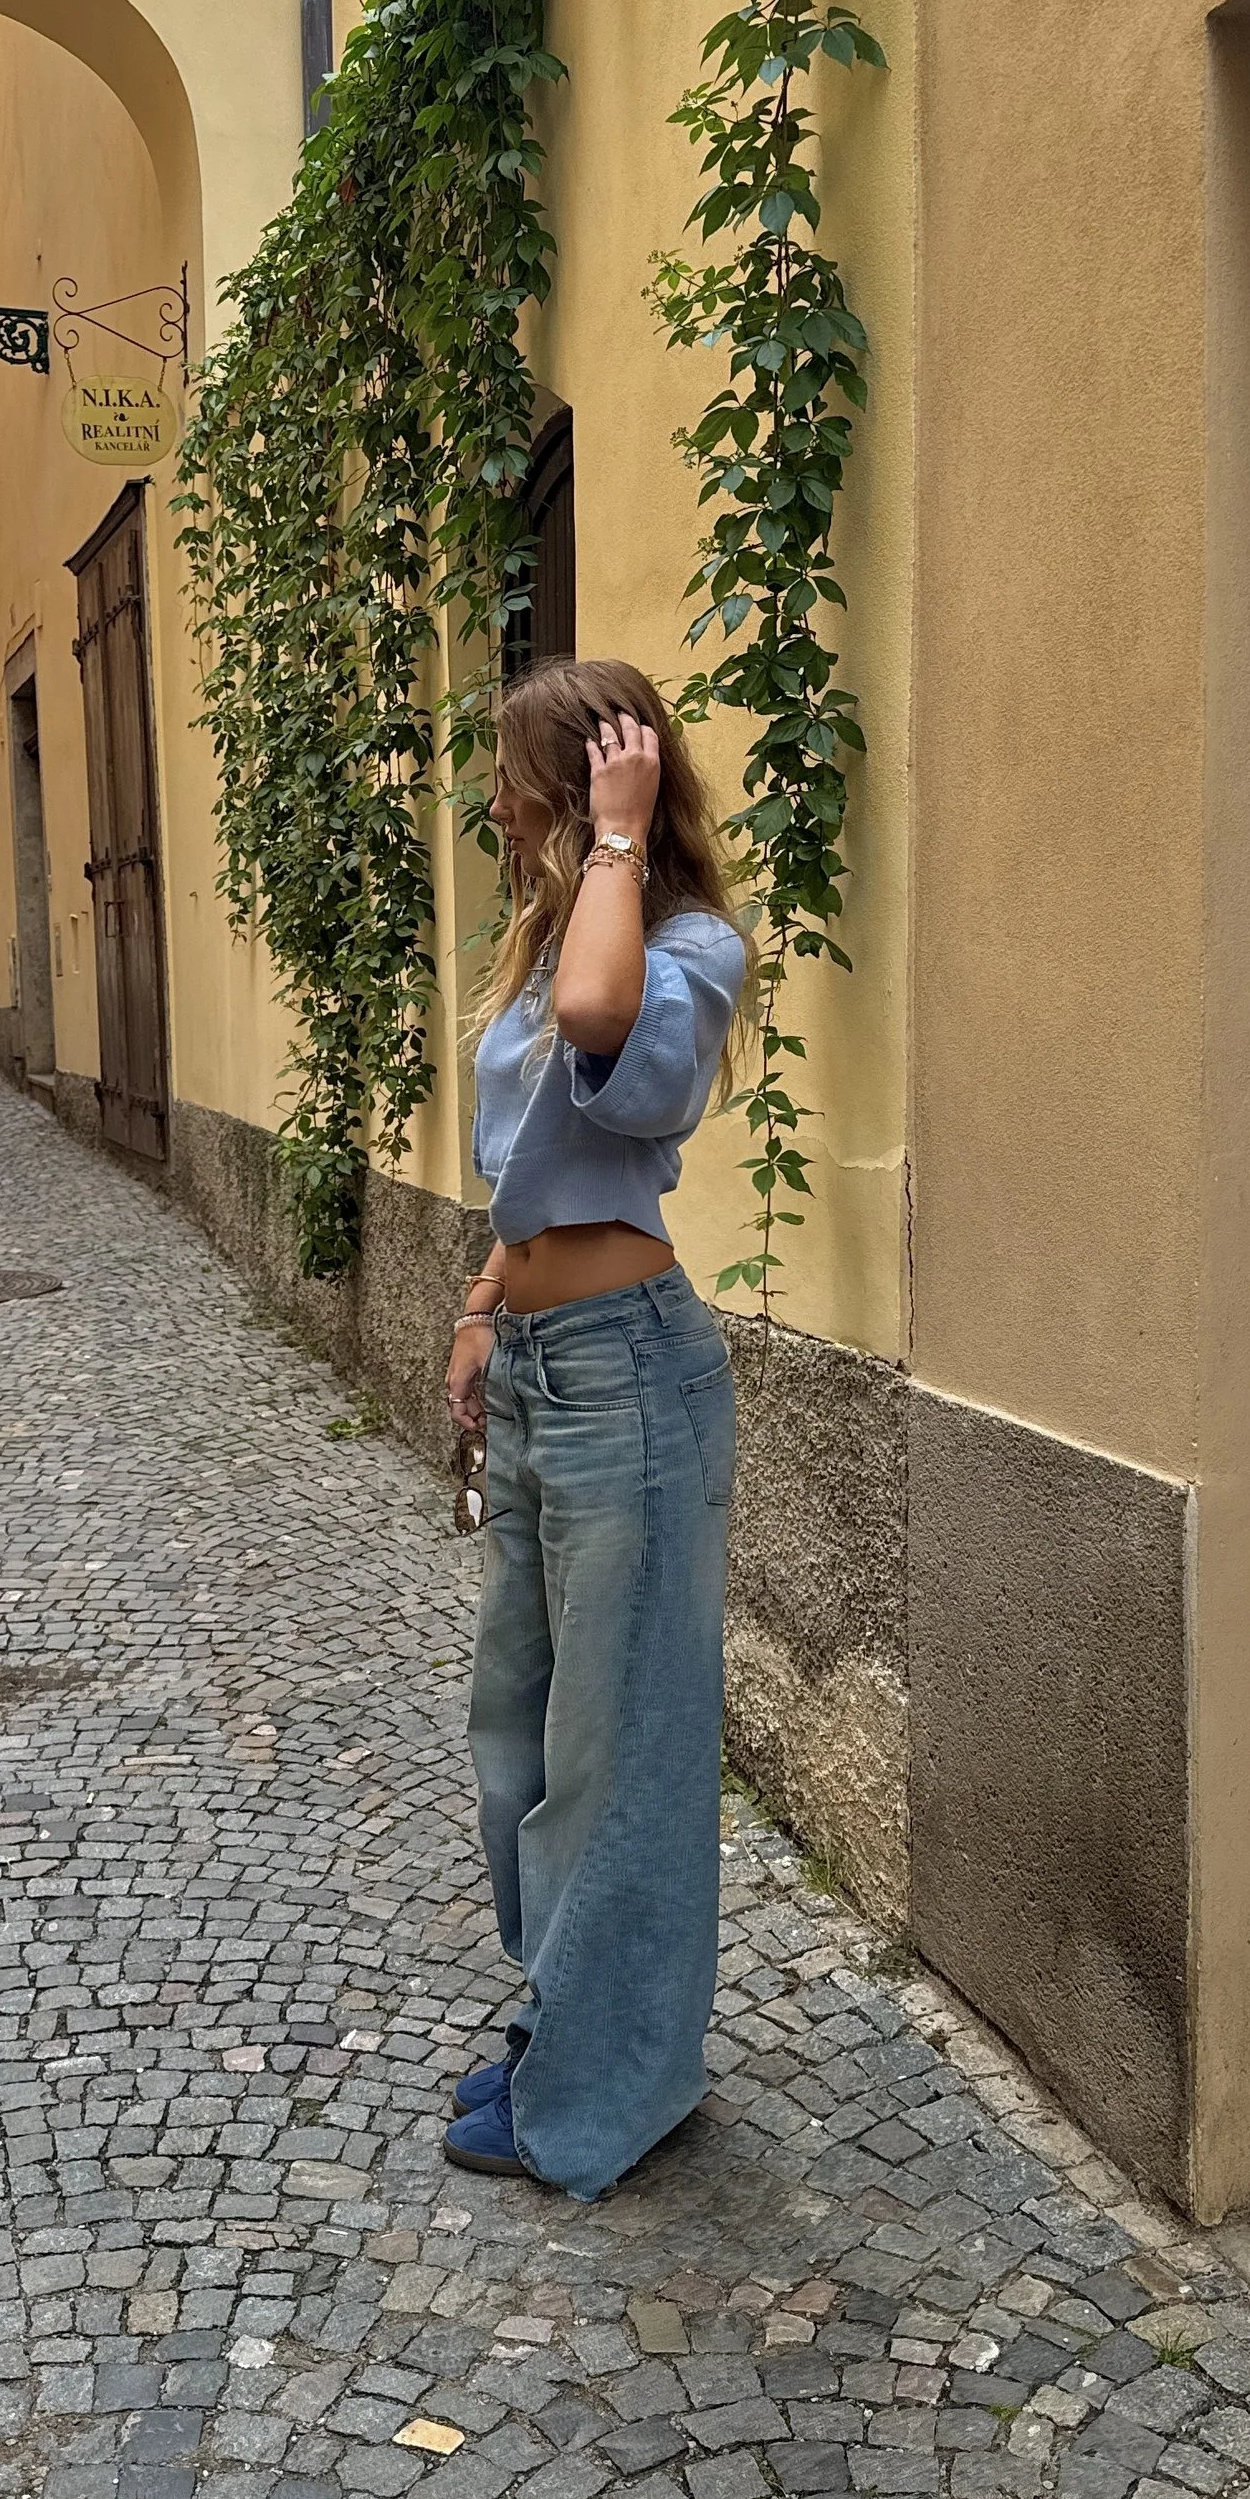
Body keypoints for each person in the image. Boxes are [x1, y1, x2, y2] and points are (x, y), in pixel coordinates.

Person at [441, 655, 751, 2196]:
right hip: (552, 1376)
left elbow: (602, 1036)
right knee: (521, 1735)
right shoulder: (559, 926)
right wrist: (483, 1307)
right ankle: (585, 2020)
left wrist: (623, 838)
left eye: (511, 776)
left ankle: (608, 2086)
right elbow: (531, 1160)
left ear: (583, 782)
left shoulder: (678, 941)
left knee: (619, 1754)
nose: (489, 801)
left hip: (637, 1380)